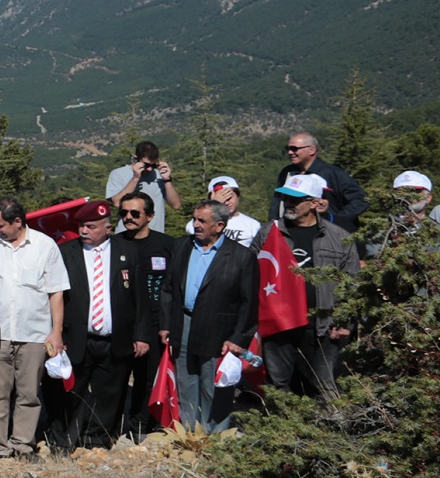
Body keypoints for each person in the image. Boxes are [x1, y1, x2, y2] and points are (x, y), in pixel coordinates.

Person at [0, 198, 69, 458]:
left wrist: (56, 332)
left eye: (0, 225)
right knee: (0, 392)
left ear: (18, 222)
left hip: (34, 333)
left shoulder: (45, 246)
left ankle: (23, 444)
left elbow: (56, 292)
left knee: (29, 392)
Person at [162, 201, 262, 430]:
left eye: (201, 221)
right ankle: (188, 435)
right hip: (183, 323)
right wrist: (166, 324)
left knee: (214, 385)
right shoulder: (181, 246)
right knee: (186, 382)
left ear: (219, 226)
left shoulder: (241, 256)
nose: (195, 225)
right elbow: (168, 288)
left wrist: (238, 338)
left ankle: (215, 438)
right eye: (194, 219)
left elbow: (249, 303)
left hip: (220, 330)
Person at [259, 175, 360, 398]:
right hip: (279, 325)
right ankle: (280, 432)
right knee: (278, 387)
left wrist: (346, 323)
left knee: (323, 387)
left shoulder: (339, 237)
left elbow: (352, 284)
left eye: (296, 199)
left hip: (323, 326)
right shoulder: (268, 232)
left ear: (315, 203)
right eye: (285, 197)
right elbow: (251, 274)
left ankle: (322, 431)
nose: (288, 203)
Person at [55, 201, 145, 448]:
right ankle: (65, 440)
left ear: (107, 228)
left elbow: (140, 298)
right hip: (76, 336)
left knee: (110, 392)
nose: (84, 231)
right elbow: (56, 296)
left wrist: (141, 335)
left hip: (115, 337)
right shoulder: (66, 252)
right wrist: (57, 332)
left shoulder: (128, 251)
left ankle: (97, 439)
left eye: (91, 226)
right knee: (73, 391)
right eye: (81, 225)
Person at [111, 193, 170, 435]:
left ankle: (144, 424)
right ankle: (114, 425)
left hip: (156, 321)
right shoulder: (114, 244)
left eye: (135, 213)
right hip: (121, 322)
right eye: (124, 213)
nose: (128, 218)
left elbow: (173, 287)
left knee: (148, 377)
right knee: (117, 378)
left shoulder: (168, 245)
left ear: (150, 216)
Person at [272, 132, 372, 233]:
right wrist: (274, 223)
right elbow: (277, 201)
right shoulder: (287, 172)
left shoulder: (332, 173)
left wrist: (336, 221)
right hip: (293, 231)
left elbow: (361, 200)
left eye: (295, 148)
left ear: (312, 150)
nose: (289, 152)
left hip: (329, 235)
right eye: (288, 148)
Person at [105, 142, 182, 235]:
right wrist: (136, 178)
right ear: (135, 158)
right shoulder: (118, 174)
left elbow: (176, 205)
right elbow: (117, 203)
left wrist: (167, 180)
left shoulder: (159, 176)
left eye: (153, 165)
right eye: (146, 165)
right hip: (126, 236)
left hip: (154, 237)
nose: (150, 169)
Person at [205, 178, 265, 247]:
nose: (226, 202)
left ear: (238, 196)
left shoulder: (253, 225)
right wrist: (215, 206)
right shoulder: (204, 222)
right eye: (222, 199)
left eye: (229, 198)